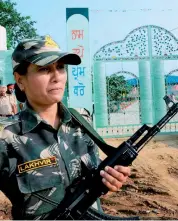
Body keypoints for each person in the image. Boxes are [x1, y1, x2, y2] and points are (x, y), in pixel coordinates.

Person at [0, 36, 131, 220]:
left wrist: (110, 179)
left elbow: (93, 180)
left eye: (60, 67)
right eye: (44, 69)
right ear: (20, 80)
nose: (57, 77)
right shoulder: (6, 137)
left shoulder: (81, 122)